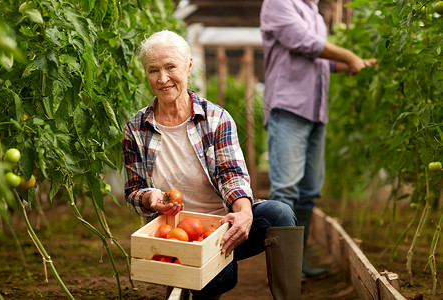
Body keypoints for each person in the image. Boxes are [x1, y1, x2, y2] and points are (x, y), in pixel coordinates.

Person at [122, 30, 304, 300]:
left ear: (189, 66)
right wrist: (151, 198)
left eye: (171, 66)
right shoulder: (136, 128)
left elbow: (233, 175)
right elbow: (133, 190)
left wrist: (243, 213)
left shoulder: (216, 118)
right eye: (153, 70)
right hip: (177, 234)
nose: (162, 79)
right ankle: (190, 285)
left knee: (280, 215)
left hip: (222, 225)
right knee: (220, 276)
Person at [260, 0, 376, 280]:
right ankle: (283, 272)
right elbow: (304, 42)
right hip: (289, 108)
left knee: (309, 191)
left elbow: (316, 60)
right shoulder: (278, 3)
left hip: (315, 111)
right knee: (286, 190)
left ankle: (297, 261)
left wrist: (344, 64)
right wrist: (349, 54)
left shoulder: (314, 13)